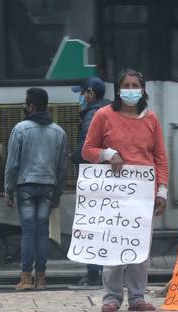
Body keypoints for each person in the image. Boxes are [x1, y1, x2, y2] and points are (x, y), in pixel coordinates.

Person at [82, 68, 168, 312]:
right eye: (126, 85)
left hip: (143, 194)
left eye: (135, 85)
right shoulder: (103, 115)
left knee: (141, 249)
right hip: (114, 194)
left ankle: (137, 297)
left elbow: (160, 157)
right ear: (118, 90)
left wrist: (162, 191)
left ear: (143, 90)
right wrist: (109, 154)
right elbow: (87, 150)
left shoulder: (151, 119)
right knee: (113, 247)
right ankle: (112, 297)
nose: (131, 89)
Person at [4, 87, 67, 290]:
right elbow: (62, 167)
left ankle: (25, 279)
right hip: (48, 188)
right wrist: (57, 193)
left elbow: (12, 164)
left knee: (28, 231)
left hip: (26, 188)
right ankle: (41, 279)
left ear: (30, 105)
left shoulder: (20, 129)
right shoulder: (59, 132)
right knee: (42, 232)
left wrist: (8, 190)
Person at [71, 76, 110, 287]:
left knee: (93, 226)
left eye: (82, 93)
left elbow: (87, 148)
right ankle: (104, 273)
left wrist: (74, 157)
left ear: (91, 94)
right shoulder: (111, 111)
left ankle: (94, 273)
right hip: (107, 177)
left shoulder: (92, 115)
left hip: (94, 179)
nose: (81, 97)